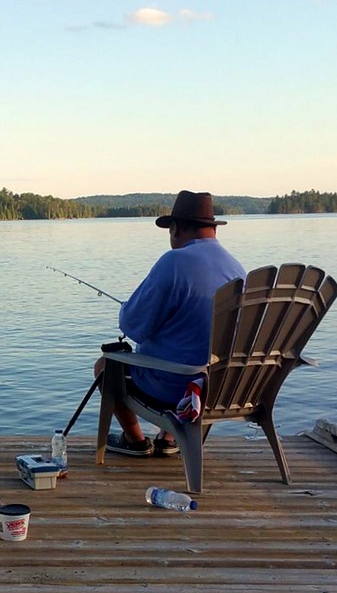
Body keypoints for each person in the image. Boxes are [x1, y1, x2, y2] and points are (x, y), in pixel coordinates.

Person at [98, 190, 246, 457]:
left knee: (105, 366)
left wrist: (126, 309)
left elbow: (132, 326)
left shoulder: (174, 262)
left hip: (178, 389)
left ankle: (136, 441)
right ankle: (168, 439)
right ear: (213, 229)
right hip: (223, 386)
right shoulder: (236, 268)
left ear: (176, 228)